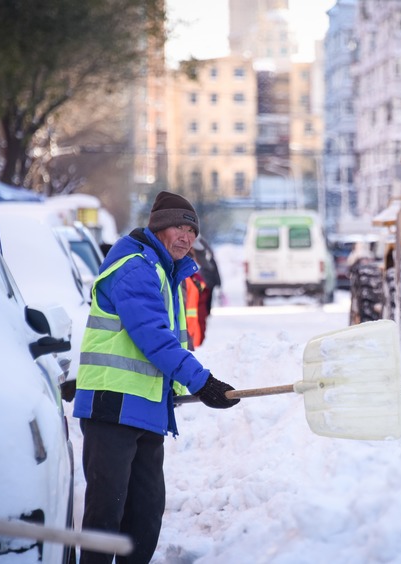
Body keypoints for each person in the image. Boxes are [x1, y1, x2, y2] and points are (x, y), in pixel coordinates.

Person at [73, 190, 240, 564]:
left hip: (146, 409)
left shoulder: (164, 271)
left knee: (145, 517)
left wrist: (180, 387)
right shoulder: (136, 267)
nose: (186, 237)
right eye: (179, 228)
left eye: (192, 231)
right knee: (106, 517)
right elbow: (153, 338)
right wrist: (203, 382)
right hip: (113, 408)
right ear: (159, 228)